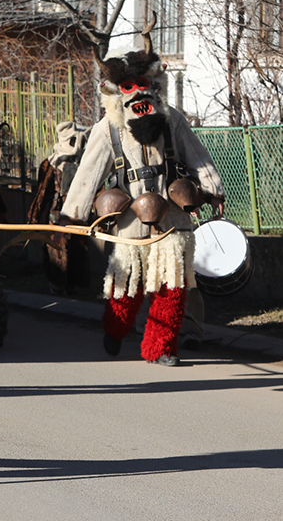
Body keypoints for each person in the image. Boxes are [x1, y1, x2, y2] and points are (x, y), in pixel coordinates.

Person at [59, 21, 225, 365]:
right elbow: (89, 172)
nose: (138, 94)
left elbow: (197, 156)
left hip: (172, 217)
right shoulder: (108, 130)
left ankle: (161, 348)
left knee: (173, 287)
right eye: (129, 87)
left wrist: (212, 190)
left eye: (144, 85)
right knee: (125, 285)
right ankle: (115, 329)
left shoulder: (172, 120)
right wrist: (70, 216)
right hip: (129, 221)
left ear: (154, 85)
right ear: (118, 92)